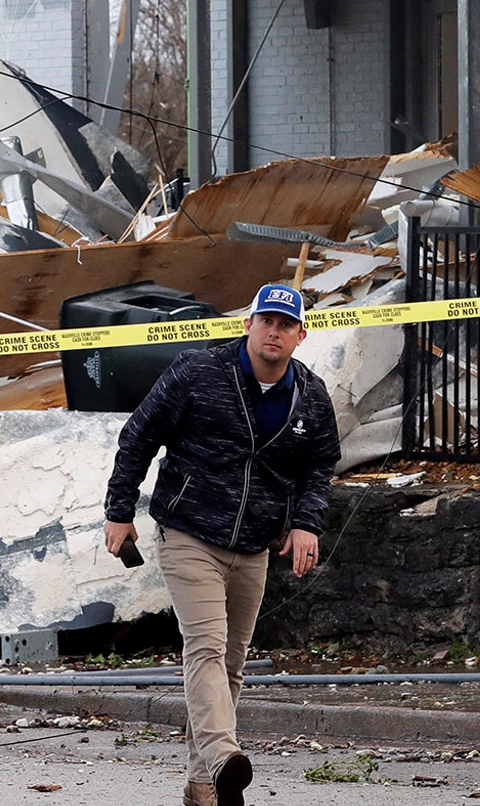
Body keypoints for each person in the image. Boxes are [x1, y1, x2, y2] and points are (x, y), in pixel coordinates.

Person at [104, 283, 342, 806]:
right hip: (188, 531)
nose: (274, 332)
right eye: (266, 321)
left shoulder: (311, 396)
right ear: (248, 325)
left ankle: (201, 784)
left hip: (255, 544)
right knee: (206, 648)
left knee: (231, 663)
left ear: (301, 335)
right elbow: (138, 436)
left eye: (285, 325)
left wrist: (307, 523)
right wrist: (119, 511)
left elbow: (320, 465)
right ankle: (225, 757)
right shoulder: (197, 372)